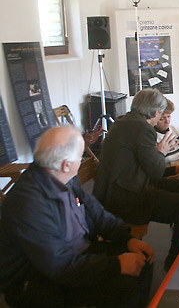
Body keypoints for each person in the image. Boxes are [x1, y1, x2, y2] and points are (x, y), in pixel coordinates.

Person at [0, 126, 153, 307]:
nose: (82, 160)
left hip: (76, 255)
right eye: (81, 157)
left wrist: (127, 239)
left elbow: (96, 213)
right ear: (66, 165)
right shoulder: (28, 204)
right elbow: (59, 266)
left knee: (142, 261)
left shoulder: (64, 177)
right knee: (125, 283)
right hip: (37, 280)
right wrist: (116, 265)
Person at [93, 88, 179, 271]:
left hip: (121, 187)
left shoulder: (125, 122)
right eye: (161, 113)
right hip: (126, 198)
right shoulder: (143, 129)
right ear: (155, 112)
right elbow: (156, 172)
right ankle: (175, 262)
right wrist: (161, 152)